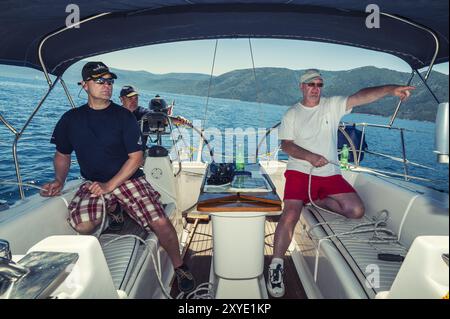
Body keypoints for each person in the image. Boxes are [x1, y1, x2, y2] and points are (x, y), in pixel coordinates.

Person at [40, 62, 196, 293]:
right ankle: (115, 210)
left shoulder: (124, 117)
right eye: (99, 81)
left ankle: (179, 266)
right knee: (83, 225)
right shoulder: (70, 119)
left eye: (110, 81)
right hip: (94, 182)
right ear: (84, 85)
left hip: (128, 179)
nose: (106, 86)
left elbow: (136, 157)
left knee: (160, 223)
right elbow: (62, 154)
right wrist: (59, 181)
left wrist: (110, 186)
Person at [267, 69, 415, 298]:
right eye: (310, 84)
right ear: (302, 87)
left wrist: (390, 90)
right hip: (299, 171)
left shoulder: (332, 105)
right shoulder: (292, 114)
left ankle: (315, 199)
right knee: (290, 214)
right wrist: (309, 156)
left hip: (330, 173)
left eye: (319, 84)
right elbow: (287, 146)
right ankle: (276, 264)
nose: (315, 88)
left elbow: (361, 95)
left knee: (356, 211)